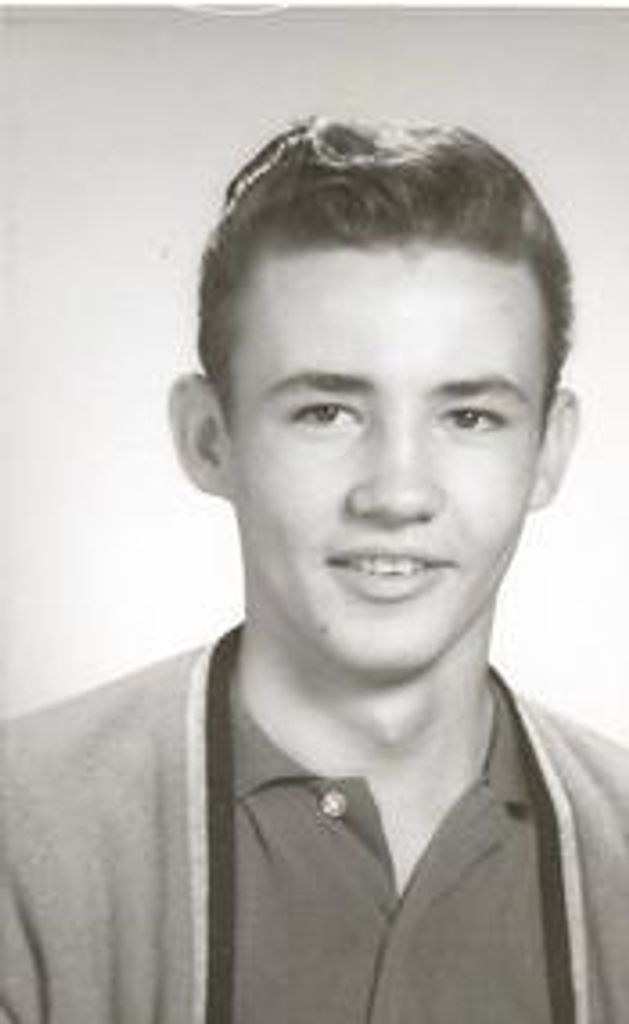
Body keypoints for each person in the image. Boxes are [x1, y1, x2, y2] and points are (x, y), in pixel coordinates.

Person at [1, 117, 628, 1024]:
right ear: (208, 438)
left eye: (469, 417)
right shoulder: (24, 848)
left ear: (548, 452)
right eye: (326, 411)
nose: (397, 493)